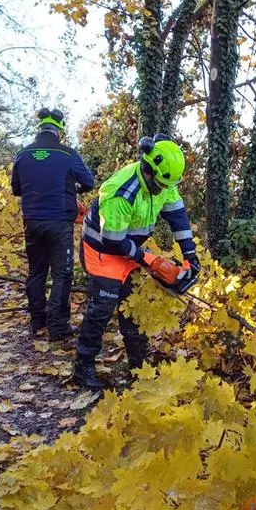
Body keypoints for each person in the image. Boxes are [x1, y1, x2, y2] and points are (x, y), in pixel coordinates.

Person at [73, 134, 199, 390]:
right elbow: (113, 241)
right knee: (102, 309)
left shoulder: (165, 180)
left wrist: (190, 256)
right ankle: (82, 366)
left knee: (133, 307)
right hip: (102, 251)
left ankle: (139, 367)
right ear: (148, 168)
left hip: (130, 250)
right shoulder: (122, 192)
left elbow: (177, 217)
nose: (164, 190)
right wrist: (149, 260)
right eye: (161, 184)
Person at [11, 108, 95, 340]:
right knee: (62, 274)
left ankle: (37, 321)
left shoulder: (23, 154)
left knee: (36, 271)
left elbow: (16, 189)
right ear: (59, 131)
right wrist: (73, 189)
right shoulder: (68, 155)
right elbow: (89, 181)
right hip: (59, 223)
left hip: (32, 222)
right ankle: (58, 327)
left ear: (40, 129)